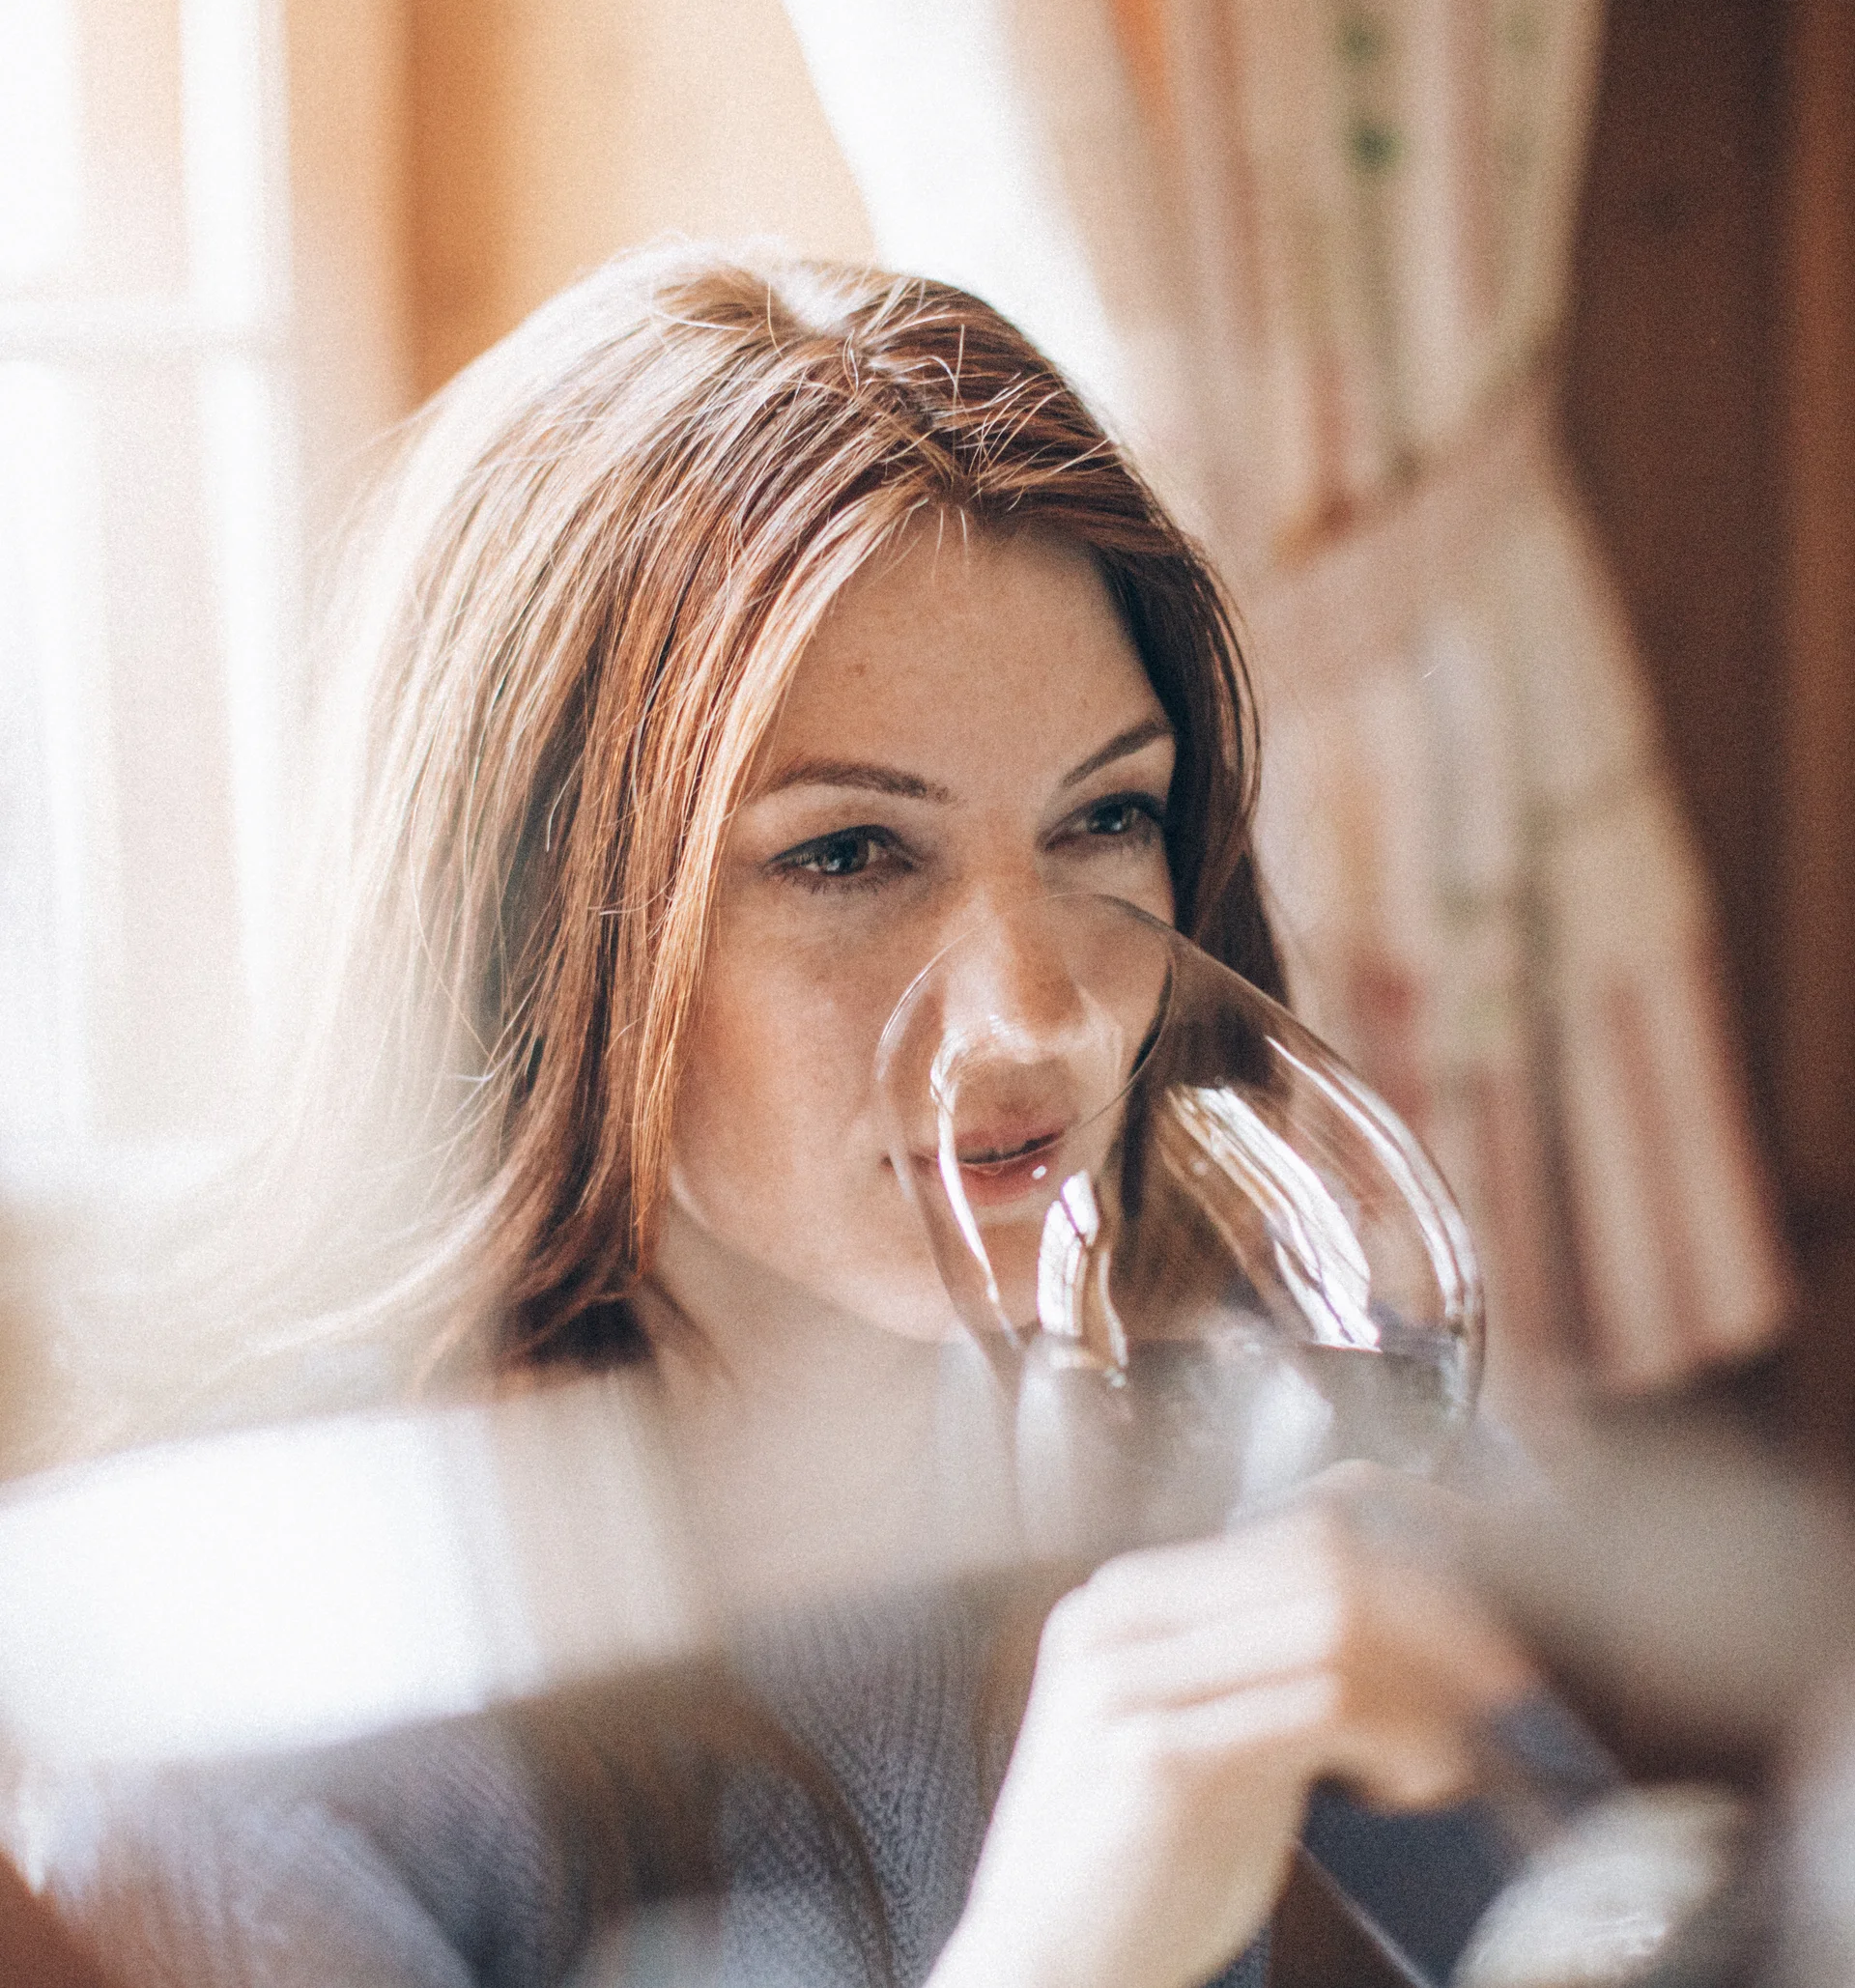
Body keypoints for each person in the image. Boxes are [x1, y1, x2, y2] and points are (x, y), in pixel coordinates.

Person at [53, 248, 1536, 1988]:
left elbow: (1618, 1916)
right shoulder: (255, 1728)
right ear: (531, 920)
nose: (1040, 1010)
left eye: (1104, 820)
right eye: (847, 852)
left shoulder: (1238, 1402)